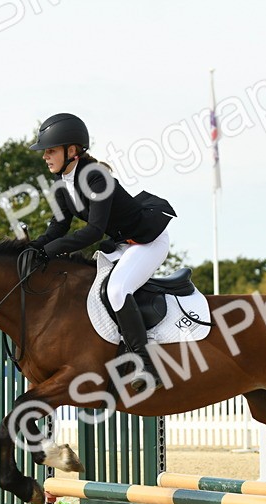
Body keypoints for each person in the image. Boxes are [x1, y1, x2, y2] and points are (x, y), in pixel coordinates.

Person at [25, 113, 176, 391]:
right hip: (122, 243)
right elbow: (58, 227)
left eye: (50, 150)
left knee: (116, 290)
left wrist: (51, 251)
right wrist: (33, 248)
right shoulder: (61, 184)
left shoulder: (95, 178)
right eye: (45, 151)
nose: (45, 156)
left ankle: (147, 364)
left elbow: (94, 231)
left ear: (72, 151)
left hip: (147, 241)